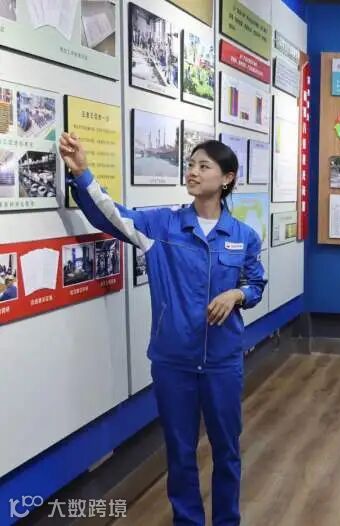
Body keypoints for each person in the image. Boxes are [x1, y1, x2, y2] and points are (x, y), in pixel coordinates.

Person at [58, 132, 266, 526]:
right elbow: (109, 214)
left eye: (204, 166)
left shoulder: (244, 237)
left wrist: (237, 294)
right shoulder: (162, 226)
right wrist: (83, 173)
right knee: (180, 451)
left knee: (226, 451)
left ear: (227, 178)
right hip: (174, 362)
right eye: (191, 164)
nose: (193, 172)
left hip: (222, 363)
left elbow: (256, 284)